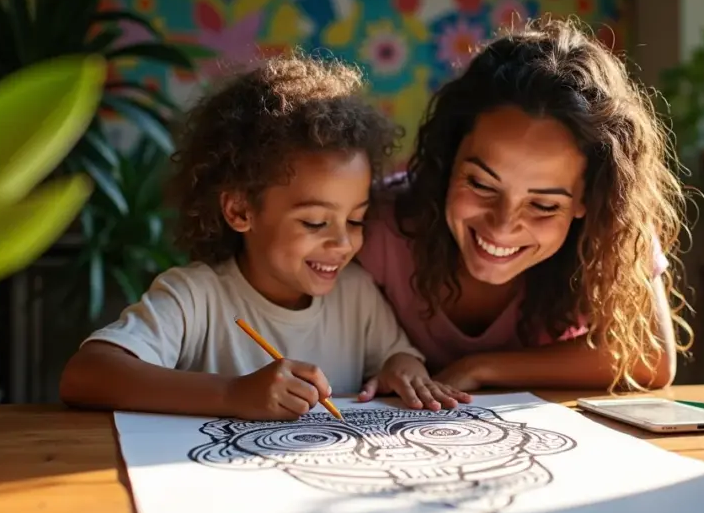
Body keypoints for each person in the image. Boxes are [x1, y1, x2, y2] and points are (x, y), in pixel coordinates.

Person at [59, 55, 471, 421]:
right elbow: (87, 374)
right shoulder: (195, 296)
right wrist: (232, 393)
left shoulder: (356, 294)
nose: (343, 243)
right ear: (240, 211)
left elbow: (395, 354)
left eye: (357, 220)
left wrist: (403, 368)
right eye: (314, 223)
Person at [355, 17, 693, 398]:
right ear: (448, 160)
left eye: (544, 205)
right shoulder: (378, 226)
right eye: (481, 185)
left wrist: (481, 368)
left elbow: (650, 357)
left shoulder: (613, 228)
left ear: (587, 199)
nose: (502, 226)